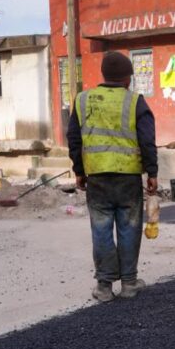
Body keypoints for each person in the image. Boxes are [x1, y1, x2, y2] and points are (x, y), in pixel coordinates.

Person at [67, 51, 158, 303]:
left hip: (97, 176)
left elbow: (73, 138)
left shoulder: (83, 100)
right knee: (129, 227)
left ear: (104, 74)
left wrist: (79, 171)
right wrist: (153, 172)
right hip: (128, 177)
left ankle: (104, 287)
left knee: (101, 228)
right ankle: (129, 283)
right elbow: (147, 140)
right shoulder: (135, 101)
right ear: (128, 79)